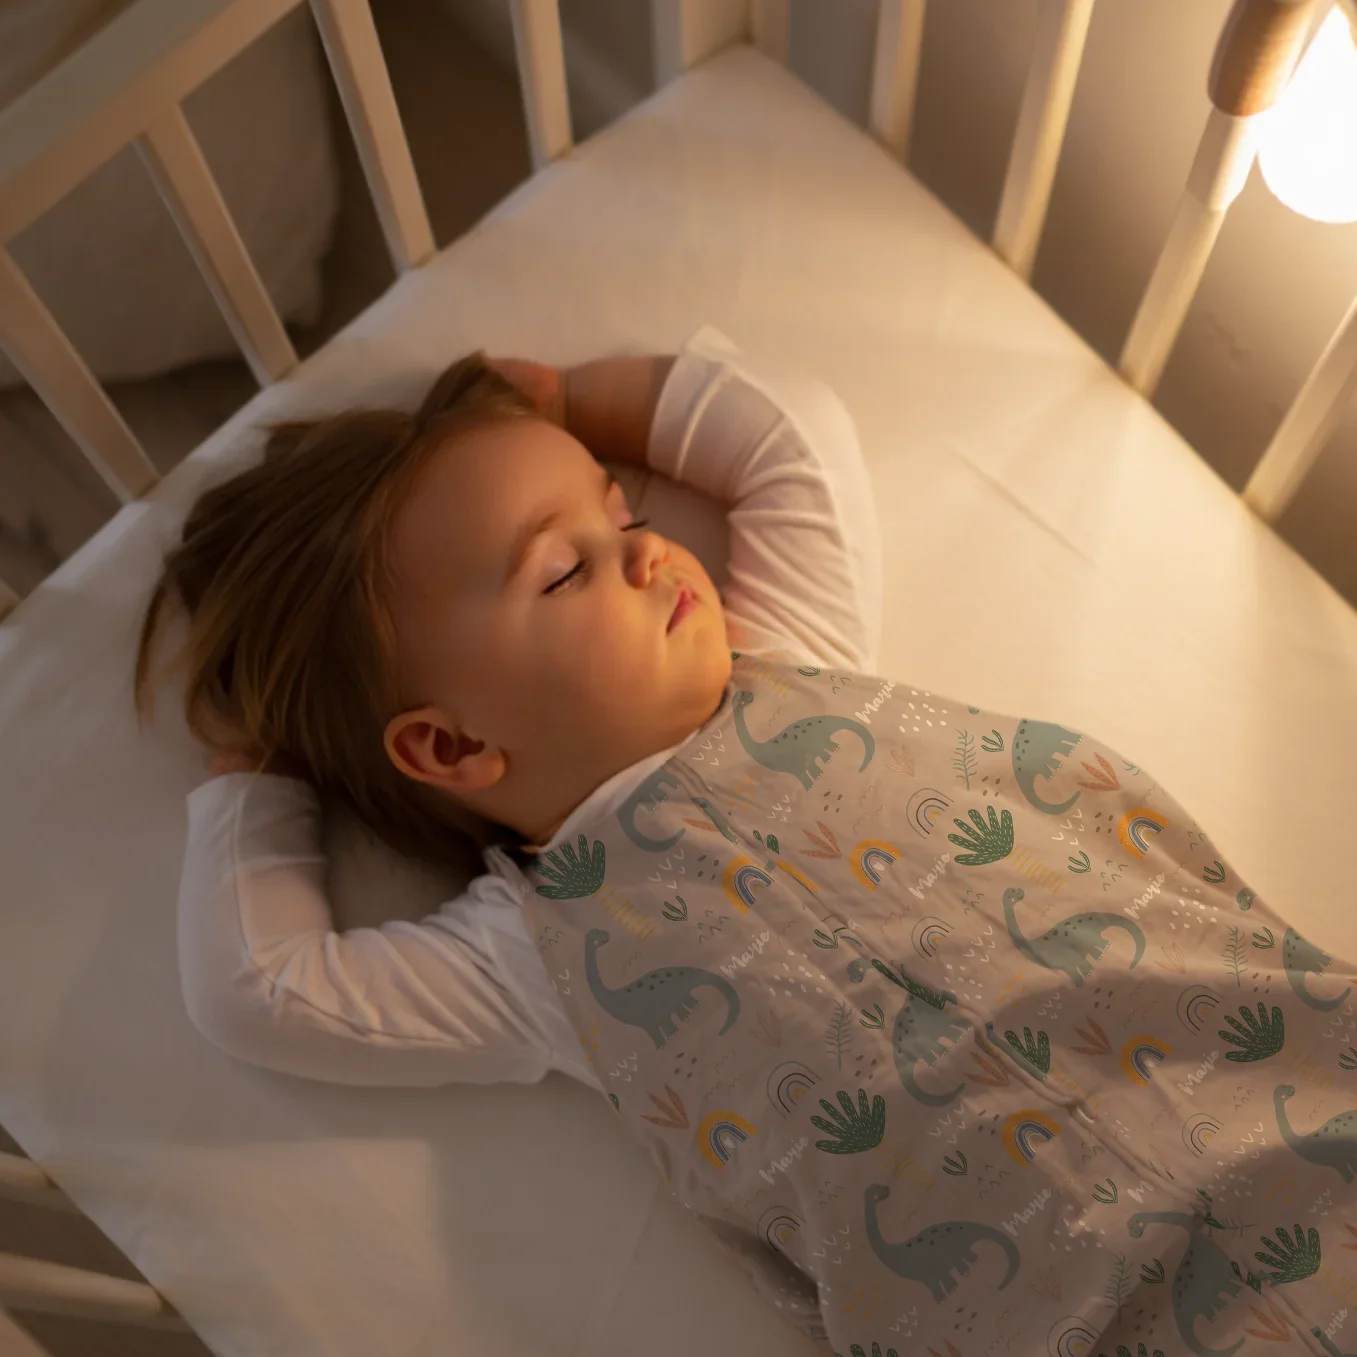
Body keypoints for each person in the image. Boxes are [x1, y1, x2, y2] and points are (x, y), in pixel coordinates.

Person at [138, 326, 1356, 1357]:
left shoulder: (792, 661)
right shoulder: (532, 954)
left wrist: (573, 397)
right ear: (452, 747)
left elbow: (784, 442)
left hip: (1278, 1105)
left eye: (619, 510)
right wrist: (255, 768)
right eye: (563, 571)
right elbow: (262, 989)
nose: (644, 547)